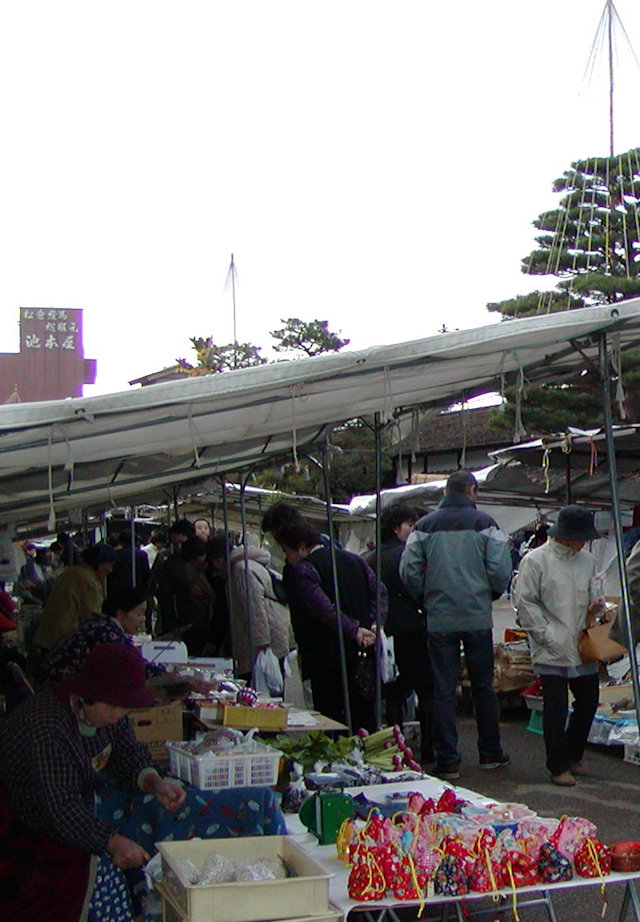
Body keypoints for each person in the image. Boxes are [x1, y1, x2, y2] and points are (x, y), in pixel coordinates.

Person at [0, 642, 286, 922]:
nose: (118, 715)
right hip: (32, 822)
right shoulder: (46, 728)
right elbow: (59, 808)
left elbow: (128, 753)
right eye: (113, 707)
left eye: (125, 709)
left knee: (166, 809)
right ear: (87, 694)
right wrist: (111, 841)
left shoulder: (108, 713)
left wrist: (153, 782)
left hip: (85, 798)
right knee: (100, 876)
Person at [399, 470, 512, 780]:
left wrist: (426, 597)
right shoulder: (486, 525)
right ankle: (490, 752)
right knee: (483, 687)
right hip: (477, 616)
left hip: (439, 618)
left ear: (447, 491)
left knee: (443, 689)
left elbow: (408, 572)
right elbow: (501, 569)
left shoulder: (423, 527)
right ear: (471, 490)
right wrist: (489, 593)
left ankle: (448, 759)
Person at [513, 505, 602, 787]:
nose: (585, 542)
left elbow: (592, 591)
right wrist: (544, 634)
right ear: (566, 535)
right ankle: (557, 765)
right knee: (556, 707)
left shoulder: (586, 560)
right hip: (550, 644)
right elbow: (524, 601)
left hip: (581, 640)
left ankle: (574, 754)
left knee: (588, 702)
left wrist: (597, 606)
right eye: (582, 536)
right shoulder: (536, 560)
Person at [274, 520, 387, 732]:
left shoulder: (306, 570)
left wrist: (354, 630)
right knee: (364, 715)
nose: (288, 558)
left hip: (327, 655)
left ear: (300, 546)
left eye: (287, 552)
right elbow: (380, 591)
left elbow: (324, 609)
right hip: (362, 652)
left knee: (331, 718)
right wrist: (374, 623)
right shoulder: (354, 560)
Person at [364, 503, 434, 767]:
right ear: (396, 528)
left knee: (393, 692)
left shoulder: (369, 558)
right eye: (410, 525)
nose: (413, 530)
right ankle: (429, 747)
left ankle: (394, 747)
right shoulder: (410, 555)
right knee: (426, 690)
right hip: (414, 629)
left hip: (385, 632)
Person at [228, 541, 292, 684]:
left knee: (262, 689)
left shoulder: (242, 569)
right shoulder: (252, 564)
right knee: (272, 683)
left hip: (264, 640)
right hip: (276, 630)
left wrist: (261, 643)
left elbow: (254, 607)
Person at [34, 542, 118, 651]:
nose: (110, 570)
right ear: (100, 563)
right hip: (63, 641)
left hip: (47, 637)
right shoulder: (88, 582)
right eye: (110, 565)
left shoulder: (72, 572)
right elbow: (93, 619)